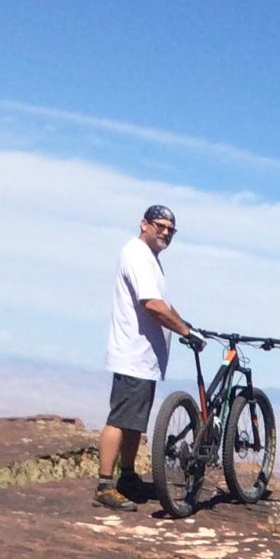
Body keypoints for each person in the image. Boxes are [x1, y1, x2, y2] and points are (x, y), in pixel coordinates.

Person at [96, 205, 197, 508]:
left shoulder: (150, 259)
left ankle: (127, 477)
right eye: (160, 226)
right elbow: (152, 304)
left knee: (133, 423)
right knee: (119, 419)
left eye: (171, 229)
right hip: (132, 354)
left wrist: (186, 327)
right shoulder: (137, 254)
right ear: (144, 224)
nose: (166, 232)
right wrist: (184, 332)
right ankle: (104, 485)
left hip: (144, 359)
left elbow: (164, 304)